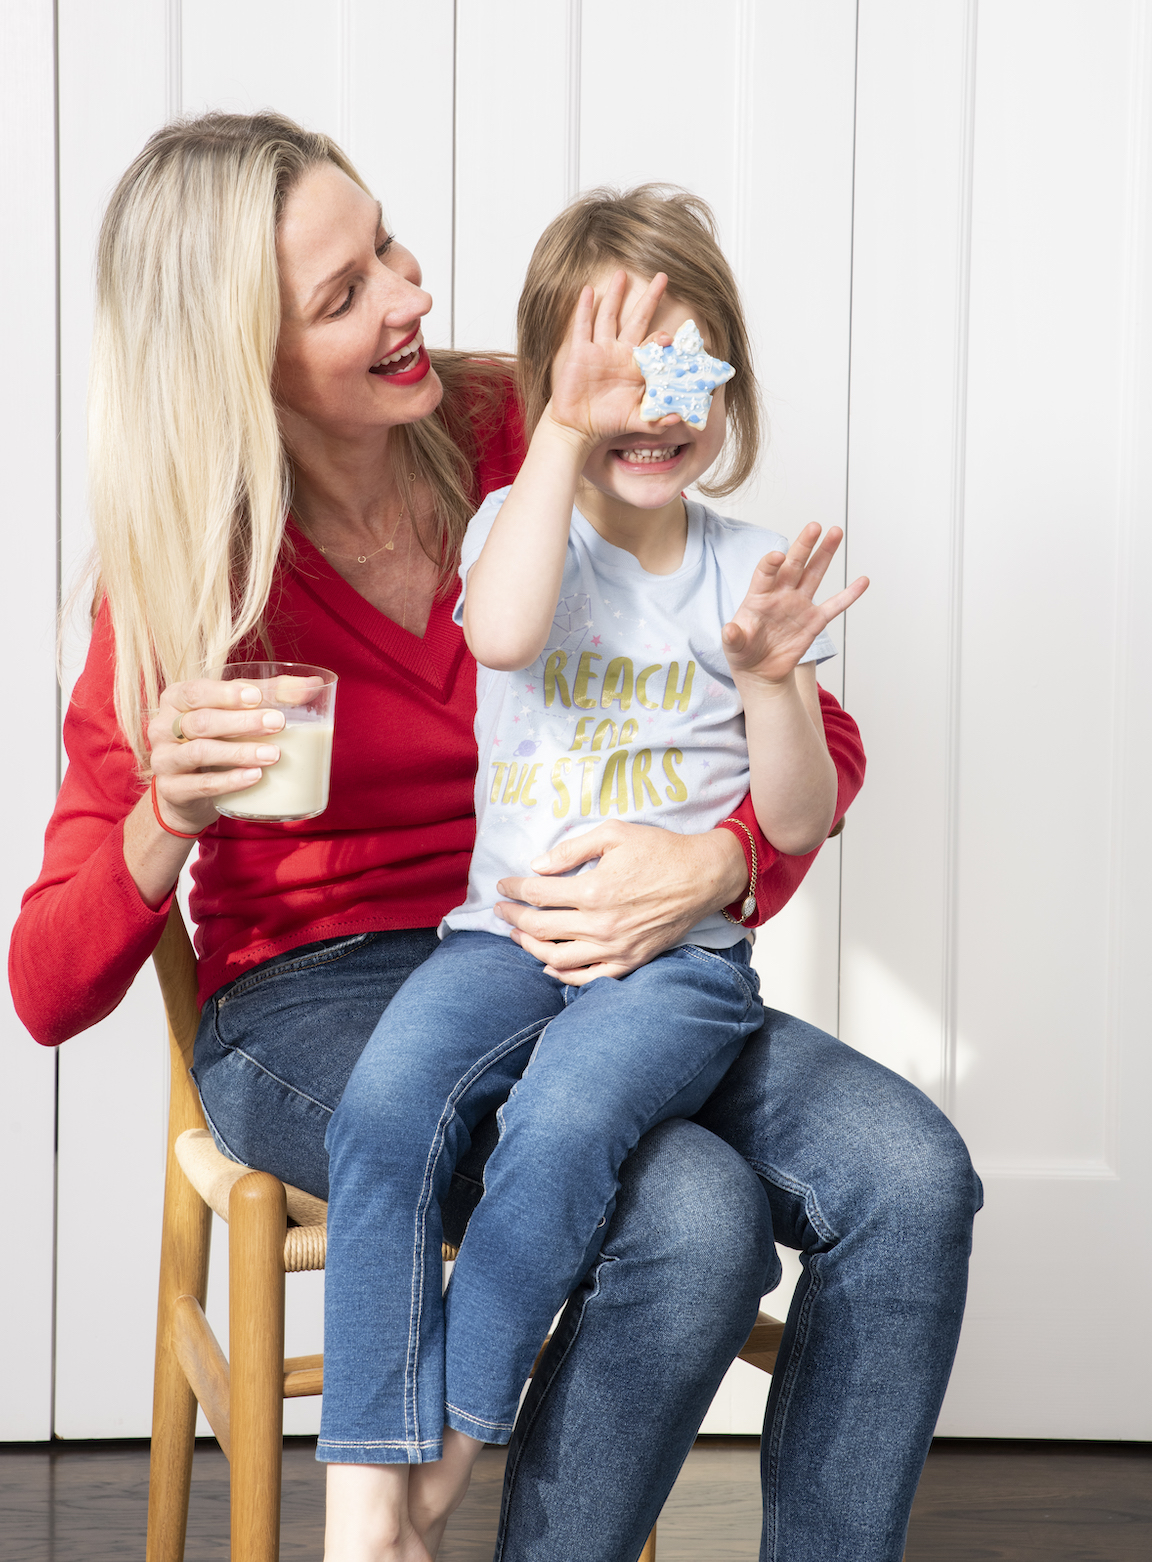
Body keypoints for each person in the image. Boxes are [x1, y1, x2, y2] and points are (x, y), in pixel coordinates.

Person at [6, 111, 980, 1562]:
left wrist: (713, 865)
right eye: (344, 297)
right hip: (315, 995)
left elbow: (803, 730)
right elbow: (46, 979)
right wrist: (167, 813)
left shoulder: (530, 426)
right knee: (693, 1215)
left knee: (911, 1174)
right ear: (239, 362)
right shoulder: (181, 572)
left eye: (386, 243)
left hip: (597, 944)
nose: (410, 293)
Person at [320, 185, 872, 1549]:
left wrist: (772, 679)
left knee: (564, 1121)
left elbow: (794, 824)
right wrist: (561, 424)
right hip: (501, 939)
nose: (651, 402)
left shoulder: (749, 576)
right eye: (612, 370)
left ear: (727, 386)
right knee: (385, 1103)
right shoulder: (520, 519)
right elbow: (504, 637)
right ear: (560, 382)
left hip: (673, 970)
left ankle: (452, 1443)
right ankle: (371, 1470)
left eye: (686, 368)